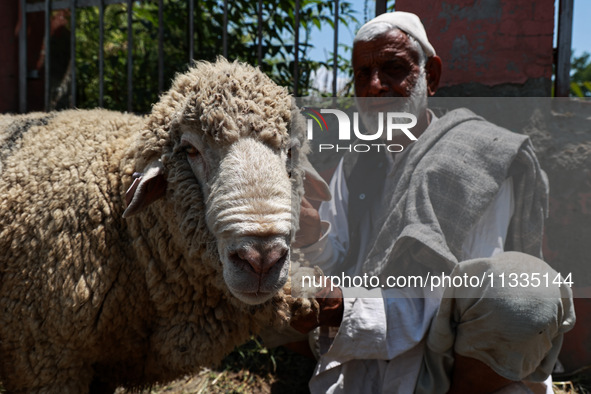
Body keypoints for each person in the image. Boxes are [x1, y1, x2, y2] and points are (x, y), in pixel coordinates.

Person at [286, 11, 575, 394]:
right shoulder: (356, 161)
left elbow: (463, 289)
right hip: (365, 340)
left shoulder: (477, 156)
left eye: (393, 69)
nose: (374, 87)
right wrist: (311, 237)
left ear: (432, 77)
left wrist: (346, 308)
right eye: (361, 74)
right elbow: (340, 258)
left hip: (451, 355)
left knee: (520, 291)